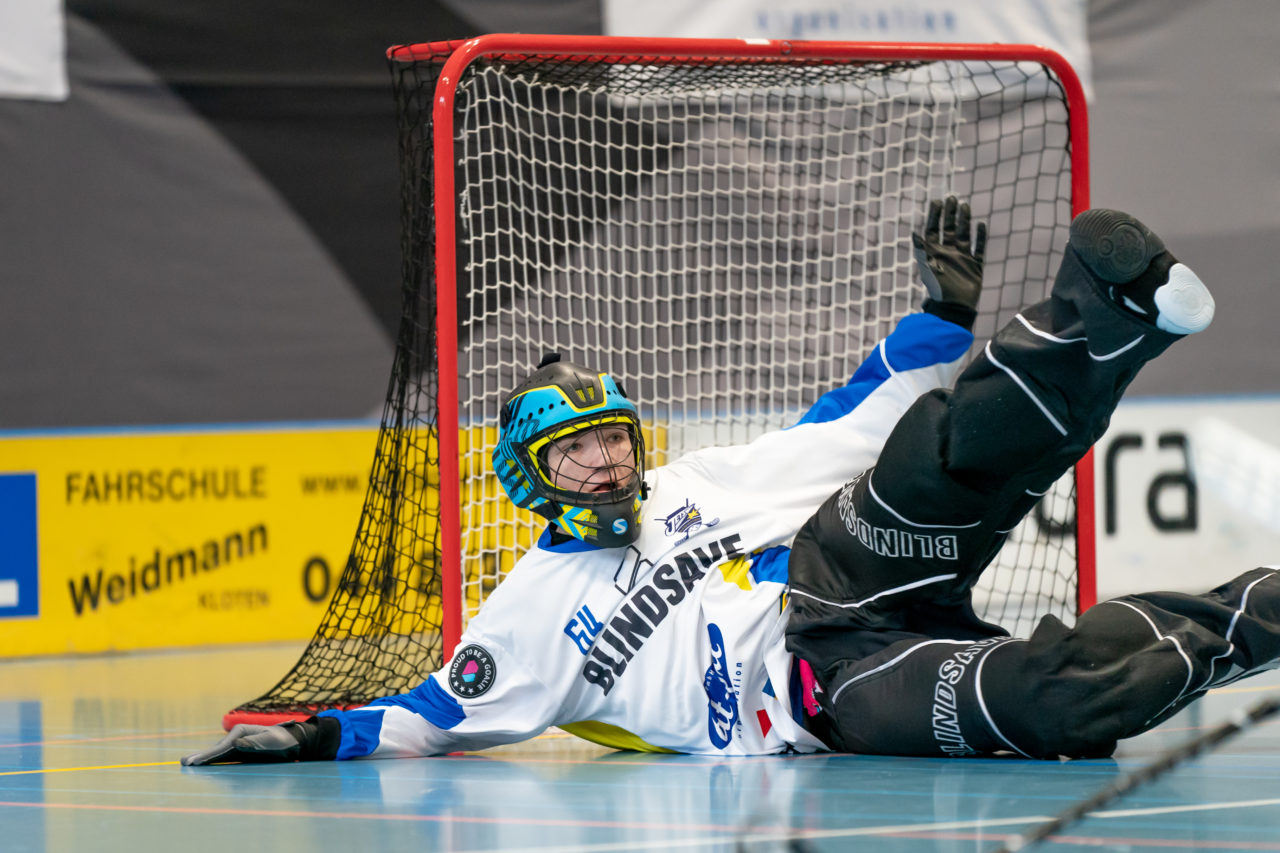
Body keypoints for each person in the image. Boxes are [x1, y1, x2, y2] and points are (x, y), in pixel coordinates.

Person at [182, 198, 1270, 766]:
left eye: (612, 437)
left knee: (932, 457)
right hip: (824, 692)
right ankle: (1261, 612)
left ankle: (1107, 312)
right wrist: (315, 732)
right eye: (576, 451)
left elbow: (846, 418)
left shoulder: (690, 484)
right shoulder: (523, 617)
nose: (607, 459)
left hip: (835, 577)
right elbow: (424, 718)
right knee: (1058, 702)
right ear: (534, 476)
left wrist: (936, 323)